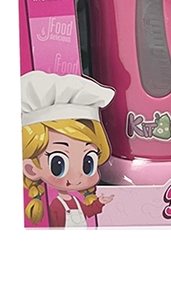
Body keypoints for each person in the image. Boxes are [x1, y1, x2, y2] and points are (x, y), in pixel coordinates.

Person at [21, 71, 115, 228]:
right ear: (31, 169)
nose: (76, 178)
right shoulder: (56, 205)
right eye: (58, 165)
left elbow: (88, 211)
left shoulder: (75, 201)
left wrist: (100, 203)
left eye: (88, 163)